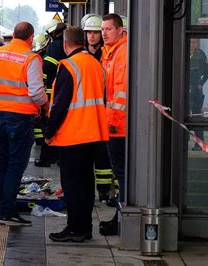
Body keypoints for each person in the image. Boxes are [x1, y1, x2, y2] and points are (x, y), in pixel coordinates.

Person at [0, 21, 48, 226]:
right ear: (31, 38)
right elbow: (36, 92)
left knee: (2, 163)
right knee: (15, 165)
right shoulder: (31, 58)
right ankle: (7, 212)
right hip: (20, 118)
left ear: (14, 35)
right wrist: (46, 103)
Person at [44, 26, 108, 242]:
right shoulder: (96, 64)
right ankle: (85, 227)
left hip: (73, 135)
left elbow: (60, 104)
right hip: (94, 134)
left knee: (72, 185)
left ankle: (75, 228)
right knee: (87, 184)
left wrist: (49, 131)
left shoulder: (69, 66)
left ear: (65, 44)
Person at [99, 13, 128, 236]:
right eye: (102, 29)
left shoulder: (122, 53)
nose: (103, 33)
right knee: (120, 175)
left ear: (120, 30)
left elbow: (121, 94)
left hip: (120, 127)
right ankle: (119, 218)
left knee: (122, 174)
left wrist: (113, 123)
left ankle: (122, 220)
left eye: (108, 29)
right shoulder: (109, 53)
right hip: (114, 124)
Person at [81, 14, 115, 204]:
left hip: (104, 110)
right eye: (89, 33)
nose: (92, 36)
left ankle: (103, 192)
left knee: (103, 156)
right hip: (86, 112)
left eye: (96, 32)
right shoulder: (82, 56)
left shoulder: (105, 54)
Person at [35, 19, 67, 167]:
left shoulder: (54, 46)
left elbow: (47, 67)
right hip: (66, 89)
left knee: (49, 124)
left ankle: (46, 158)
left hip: (53, 91)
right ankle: (59, 157)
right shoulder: (66, 44)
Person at [189, 38, 208, 151]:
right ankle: (182, 141)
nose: (192, 44)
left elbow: (207, 72)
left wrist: (201, 84)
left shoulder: (200, 55)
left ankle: (199, 143)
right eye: (191, 42)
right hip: (183, 89)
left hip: (196, 90)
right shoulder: (182, 51)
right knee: (183, 116)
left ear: (197, 44)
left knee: (196, 117)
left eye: (194, 42)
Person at [32, 33, 51, 146]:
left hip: (44, 93)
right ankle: (40, 139)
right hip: (42, 93)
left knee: (41, 119)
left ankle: (40, 140)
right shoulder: (41, 58)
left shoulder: (44, 59)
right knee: (40, 119)